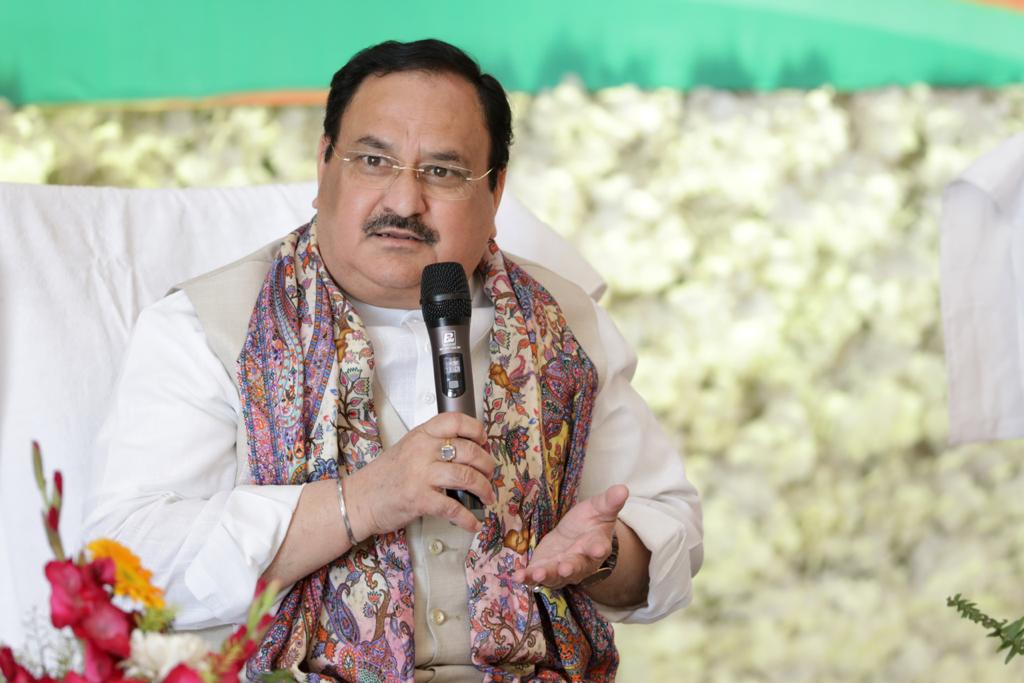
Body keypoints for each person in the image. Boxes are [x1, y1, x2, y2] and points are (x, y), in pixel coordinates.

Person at [85, 39, 703, 682]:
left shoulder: (568, 329)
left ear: (495, 193)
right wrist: (361, 501)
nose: (404, 202)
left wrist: (604, 559)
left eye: (442, 171)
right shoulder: (209, 326)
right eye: (374, 160)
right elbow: (128, 563)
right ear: (324, 165)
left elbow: (666, 530)